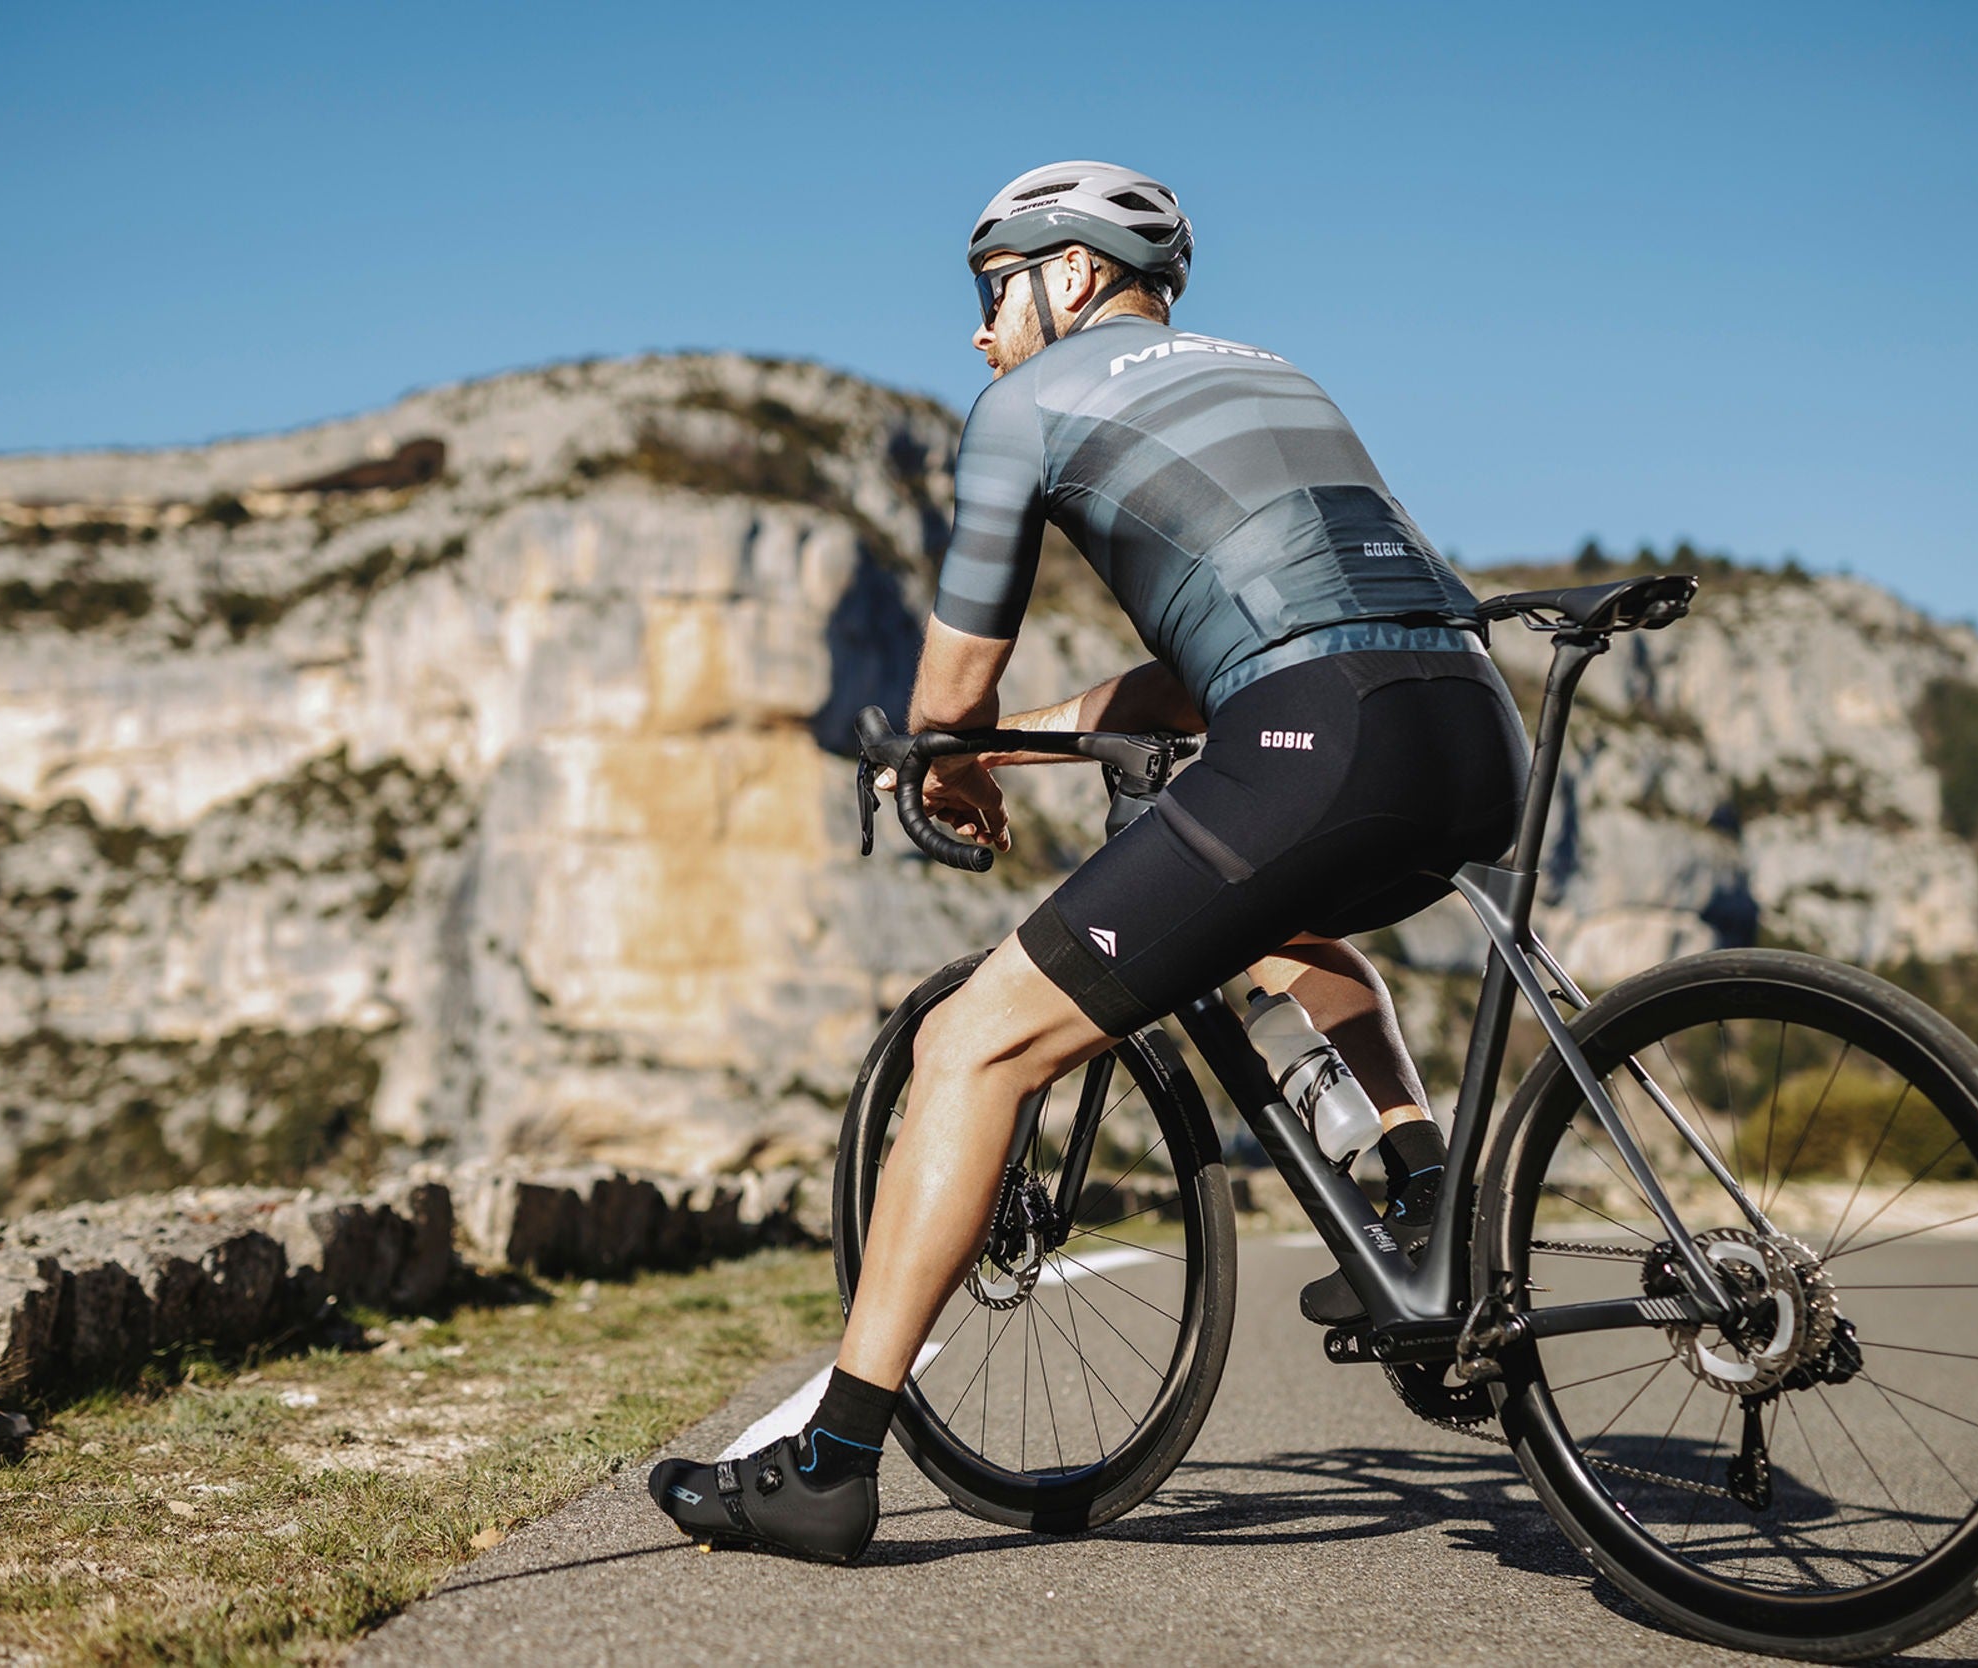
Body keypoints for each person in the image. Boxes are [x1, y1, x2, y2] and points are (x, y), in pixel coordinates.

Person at [650, 161, 1528, 1563]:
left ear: (1067, 278)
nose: (981, 329)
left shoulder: (1027, 406)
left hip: (1320, 734)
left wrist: (947, 759)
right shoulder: (1269, 370)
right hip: (1471, 725)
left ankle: (828, 1463)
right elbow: (1213, 673)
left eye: (994, 289)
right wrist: (1016, 746)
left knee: (973, 1047)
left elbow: (950, 684)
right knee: (1292, 912)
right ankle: (1425, 1201)